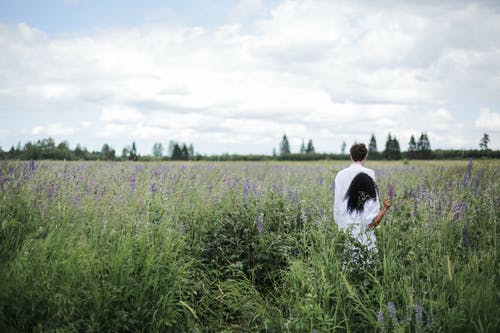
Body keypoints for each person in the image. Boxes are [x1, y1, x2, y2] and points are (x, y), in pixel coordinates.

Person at [334, 143, 391, 252]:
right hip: (364, 227)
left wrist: (340, 224)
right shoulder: (369, 173)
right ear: (366, 156)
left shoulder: (340, 174)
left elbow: (338, 202)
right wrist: (384, 209)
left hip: (346, 224)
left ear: (351, 156)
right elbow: (372, 207)